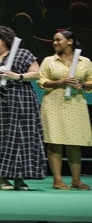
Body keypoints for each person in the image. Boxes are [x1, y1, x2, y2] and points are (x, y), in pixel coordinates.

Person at [0, 25, 44, 190]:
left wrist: (17, 76)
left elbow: (36, 73)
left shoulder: (23, 54)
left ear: (5, 38)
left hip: (21, 100)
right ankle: (2, 177)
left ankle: (19, 177)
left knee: (21, 137)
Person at [38, 30, 92, 190]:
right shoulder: (49, 61)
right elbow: (42, 81)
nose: (55, 43)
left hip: (76, 103)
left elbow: (91, 82)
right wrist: (60, 82)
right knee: (55, 142)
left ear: (70, 41)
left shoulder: (84, 61)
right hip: (53, 104)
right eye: (54, 40)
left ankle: (76, 180)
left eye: (58, 40)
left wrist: (81, 85)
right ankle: (57, 180)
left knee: (75, 142)